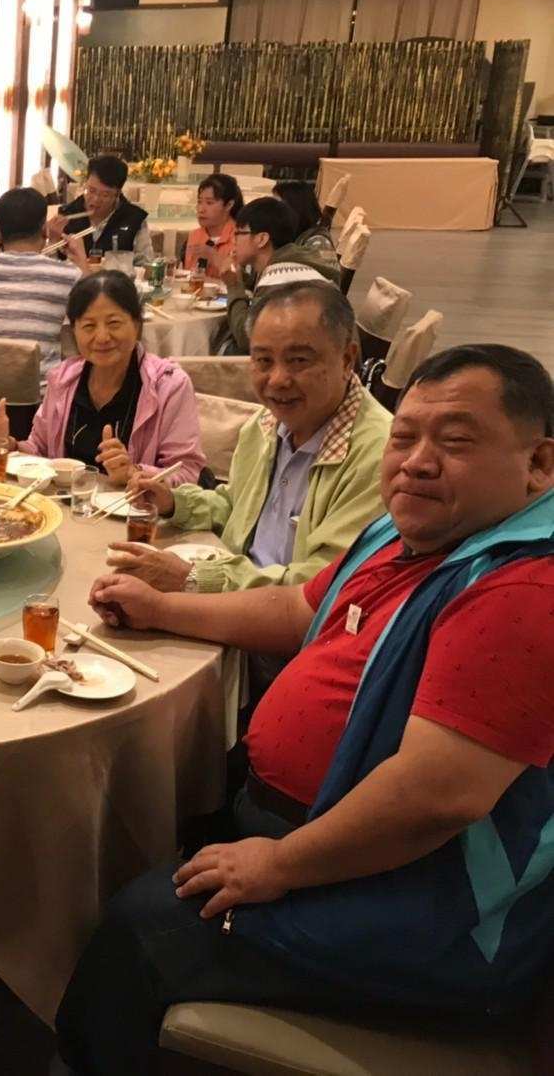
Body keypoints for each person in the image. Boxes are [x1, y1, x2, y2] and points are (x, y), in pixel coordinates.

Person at [59, 344, 554, 1075]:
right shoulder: (410, 529)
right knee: (142, 818)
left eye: (454, 442)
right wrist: (161, 606)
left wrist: (280, 865)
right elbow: (299, 609)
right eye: (405, 436)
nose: (416, 462)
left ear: (538, 464)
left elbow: (438, 796)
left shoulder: (522, 590)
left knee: (141, 928)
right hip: (319, 829)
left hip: (421, 899)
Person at [112, 282, 390, 594]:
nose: (278, 379)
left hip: (290, 617)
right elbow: (235, 507)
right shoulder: (265, 425)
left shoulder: (380, 457)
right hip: (236, 593)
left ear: (347, 360)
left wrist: (194, 578)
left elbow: (320, 586)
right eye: (264, 360)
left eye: (299, 360)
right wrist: (173, 502)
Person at [0, 270, 204, 487]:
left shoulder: (168, 385)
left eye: (114, 323)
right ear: (74, 331)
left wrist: (132, 472)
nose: (102, 337)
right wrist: (6, 445)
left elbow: (187, 473)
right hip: (67, 506)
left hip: (133, 511)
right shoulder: (63, 379)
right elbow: (41, 452)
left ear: (137, 325)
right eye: (89, 326)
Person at [0, 187, 85, 381]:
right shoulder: (68, 275)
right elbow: (94, 307)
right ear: (44, 231)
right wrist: (82, 262)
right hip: (42, 395)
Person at [218, 196, 341, 356]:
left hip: (310, 363)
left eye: (238, 233)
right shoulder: (292, 263)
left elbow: (248, 338)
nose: (233, 240)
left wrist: (234, 285)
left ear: (262, 239)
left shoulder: (278, 276)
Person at [45, 155, 153, 261]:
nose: (96, 199)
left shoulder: (134, 218)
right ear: (85, 183)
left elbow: (145, 262)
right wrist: (53, 240)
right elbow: (49, 266)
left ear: (117, 194)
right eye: (91, 190)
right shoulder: (67, 214)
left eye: (105, 195)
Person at [183, 173, 243, 280]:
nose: (201, 209)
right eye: (199, 202)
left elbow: (243, 282)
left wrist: (215, 257)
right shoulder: (194, 235)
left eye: (209, 203)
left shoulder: (242, 237)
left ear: (229, 205)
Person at [273, 179, 336, 262]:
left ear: (295, 208)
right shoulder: (291, 236)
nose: (273, 212)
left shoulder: (319, 243)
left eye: (278, 207)